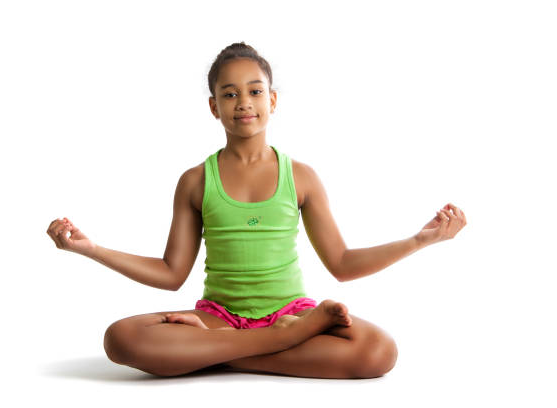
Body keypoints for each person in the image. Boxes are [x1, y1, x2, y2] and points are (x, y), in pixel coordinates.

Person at [46, 42, 466, 379]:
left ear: (273, 99)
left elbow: (341, 263)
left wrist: (419, 240)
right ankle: (274, 344)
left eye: (254, 90)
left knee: (379, 350)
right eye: (229, 94)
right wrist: (91, 249)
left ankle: (214, 357)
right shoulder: (195, 181)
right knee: (121, 338)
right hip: (216, 319)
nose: (243, 102)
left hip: (290, 314)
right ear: (214, 106)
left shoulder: (300, 177)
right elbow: (172, 273)